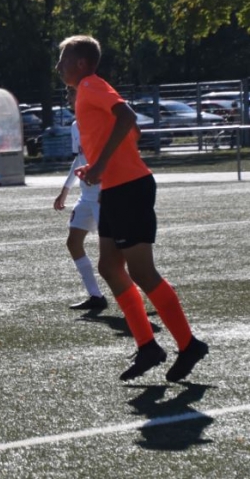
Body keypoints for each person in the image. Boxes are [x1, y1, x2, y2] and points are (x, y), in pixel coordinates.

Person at [56, 34, 208, 382]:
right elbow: (130, 130)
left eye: (62, 60)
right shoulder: (90, 90)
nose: (58, 67)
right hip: (114, 188)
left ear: (80, 63)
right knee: (110, 266)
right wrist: (99, 165)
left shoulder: (90, 85)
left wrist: (101, 164)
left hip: (129, 187)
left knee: (142, 271)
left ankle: (188, 344)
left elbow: (127, 116)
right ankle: (148, 347)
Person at [52, 91, 107, 312]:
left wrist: (107, 187)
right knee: (73, 242)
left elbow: (111, 156)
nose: (67, 98)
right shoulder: (75, 125)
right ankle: (96, 296)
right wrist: (65, 190)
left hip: (104, 194)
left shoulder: (98, 121)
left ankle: (148, 289)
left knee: (116, 252)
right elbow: (79, 159)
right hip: (86, 195)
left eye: (71, 93)